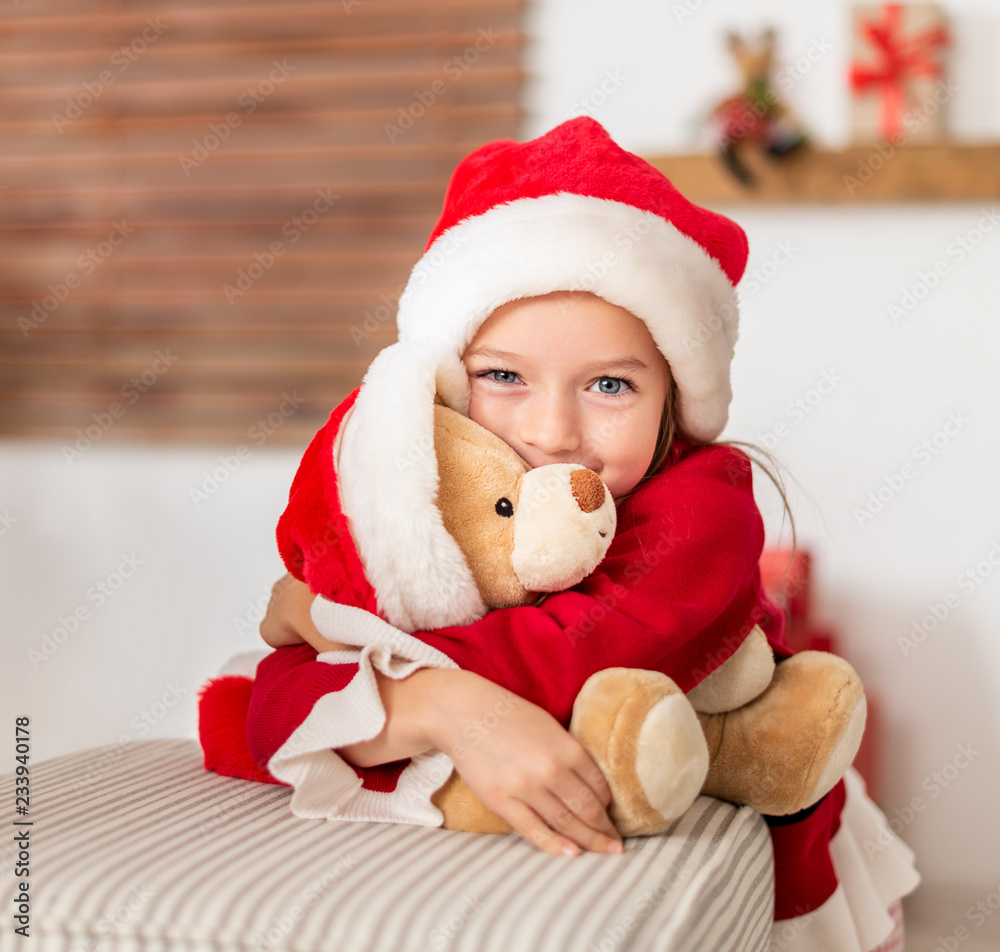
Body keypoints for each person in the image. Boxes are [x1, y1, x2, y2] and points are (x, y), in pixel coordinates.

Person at [245, 117, 919, 950]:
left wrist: (336, 635)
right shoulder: (422, 496)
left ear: (674, 400)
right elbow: (269, 708)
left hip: (785, 891)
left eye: (608, 384)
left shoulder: (705, 505)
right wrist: (434, 705)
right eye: (502, 377)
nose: (553, 430)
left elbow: (568, 661)